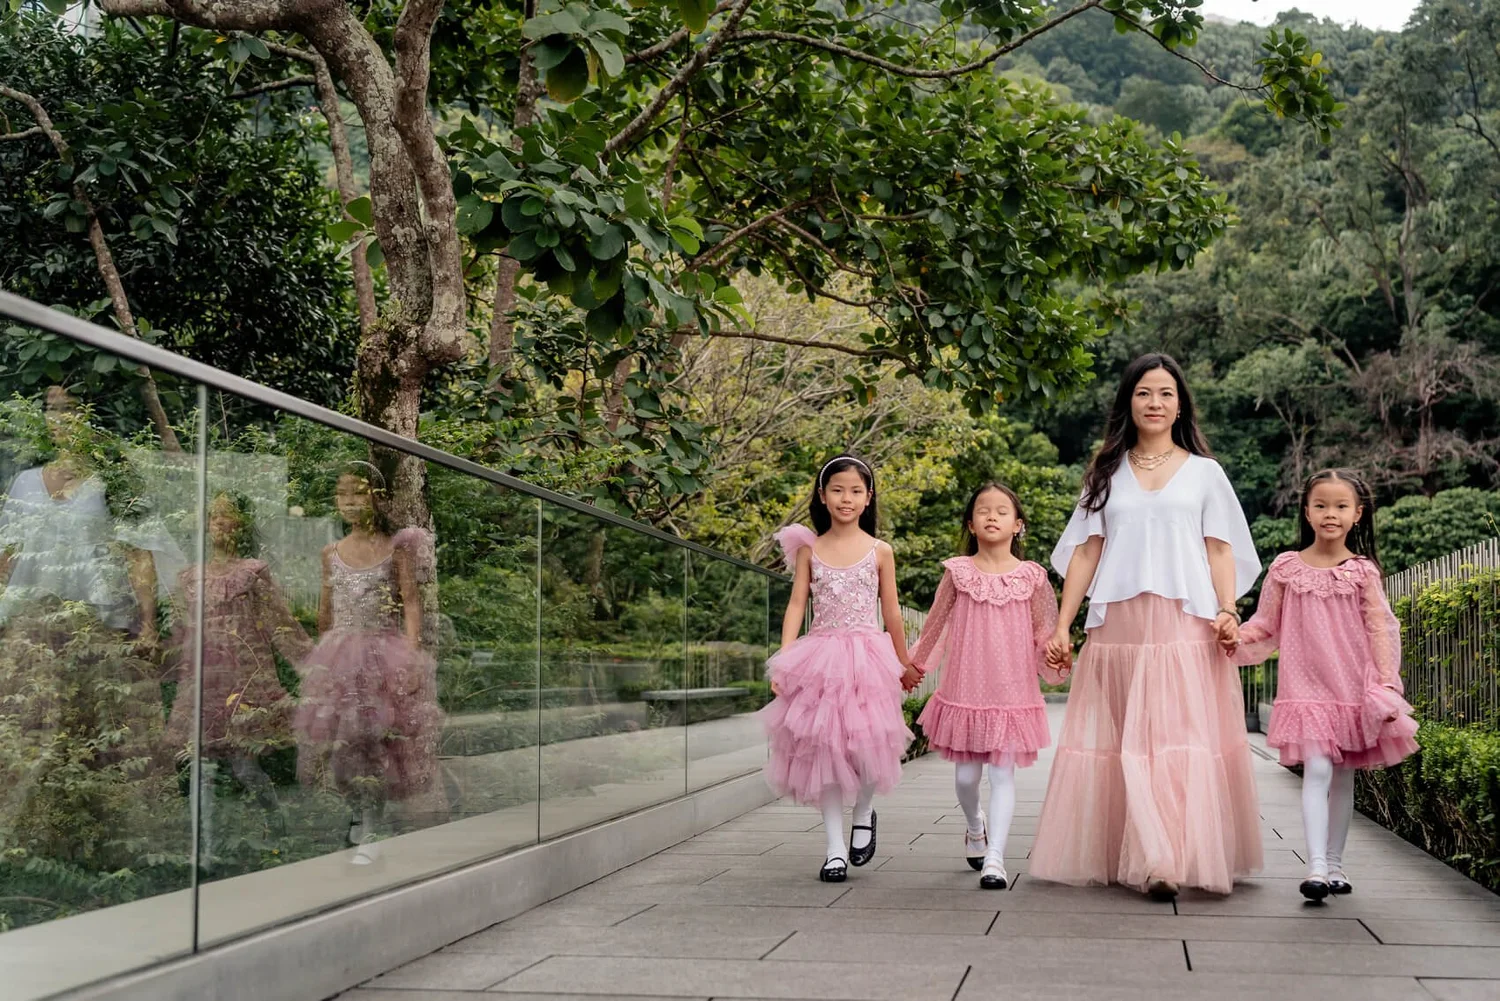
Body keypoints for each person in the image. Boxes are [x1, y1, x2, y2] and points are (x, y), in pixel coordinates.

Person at [1031, 353, 1264, 900]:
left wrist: (1228, 608)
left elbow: (1220, 548)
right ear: (1128, 403)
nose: (1154, 402)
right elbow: (1087, 554)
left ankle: (1165, 859)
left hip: (1187, 624)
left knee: (1178, 738)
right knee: (1125, 742)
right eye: (1143, 393)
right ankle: (1139, 851)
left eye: (1164, 393)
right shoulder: (1106, 473)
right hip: (1119, 626)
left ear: (1180, 402)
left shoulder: (1206, 473)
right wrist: (1064, 626)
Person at [1233, 469, 1418, 901]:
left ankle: (1335, 864)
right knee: (1317, 768)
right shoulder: (1285, 568)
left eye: (1340, 506)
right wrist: (1230, 637)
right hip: (1305, 688)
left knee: (1343, 776)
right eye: (1320, 505)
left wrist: (1387, 684)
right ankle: (1316, 866)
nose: (1329, 514)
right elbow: (1265, 625)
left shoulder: (1362, 572)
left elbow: (1381, 630)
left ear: (1358, 514)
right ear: (1306, 512)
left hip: (1351, 689)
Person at [759, 454, 920, 883]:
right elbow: (797, 605)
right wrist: (784, 659)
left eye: (855, 491)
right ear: (822, 495)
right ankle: (834, 850)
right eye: (837, 490)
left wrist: (904, 662)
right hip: (821, 660)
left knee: (868, 752)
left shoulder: (880, 551)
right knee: (824, 752)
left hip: (868, 659)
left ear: (868, 498)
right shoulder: (810, 549)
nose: (845, 498)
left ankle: (864, 810)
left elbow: (892, 612)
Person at [905, 483, 1063, 889]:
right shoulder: (958, 572)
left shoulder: (1032, 577)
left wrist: (1057, 654)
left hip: (1013, 691)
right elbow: (935, 624)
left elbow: (1044, 632)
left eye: (1002, 511)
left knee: (1003, 776)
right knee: (965, 780)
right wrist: (914, 665)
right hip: (966, 691)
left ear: (1018, 525)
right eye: (983, 510)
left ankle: (996, 860)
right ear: (971, 524)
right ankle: (976, 827)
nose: (992, 516)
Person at [292, 462, 442, 865]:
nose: (350, 503)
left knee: (378, 739)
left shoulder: (395, 550)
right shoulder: (330, 553)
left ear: (375, 498)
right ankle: (359, 814)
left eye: (357, 494)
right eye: (342, 496)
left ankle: (372, 823)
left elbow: (410, 602)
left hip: (382, 651)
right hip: (339, 653)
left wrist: (410, 655)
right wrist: (322, 660)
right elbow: (325, 613)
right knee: (345, 740)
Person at [166, 492, 311, 849]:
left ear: (240, 525)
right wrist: (165, 665)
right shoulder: (189, 577)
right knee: (201, 765)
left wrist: (311, 665)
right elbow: (181, 631)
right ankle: (206, 847)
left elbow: (279, 622)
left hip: (245, 676)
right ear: (205, 524)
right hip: (204, 680)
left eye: (228, 517)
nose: (220, 524)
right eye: (215, 517)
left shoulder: (252, 572)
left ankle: (275, 824)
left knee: (245, 765)